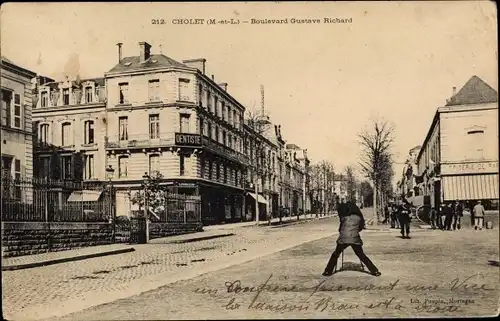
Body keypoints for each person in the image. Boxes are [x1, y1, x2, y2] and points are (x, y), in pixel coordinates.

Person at [323, 201, 381, 277]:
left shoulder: (344, 217)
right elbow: (360, 228)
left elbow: (340, 229)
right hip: (355, 239)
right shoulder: (359, 217)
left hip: (343, 239)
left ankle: (328, 271)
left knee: (335, 254)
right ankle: (374, 271)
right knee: (361, 255)